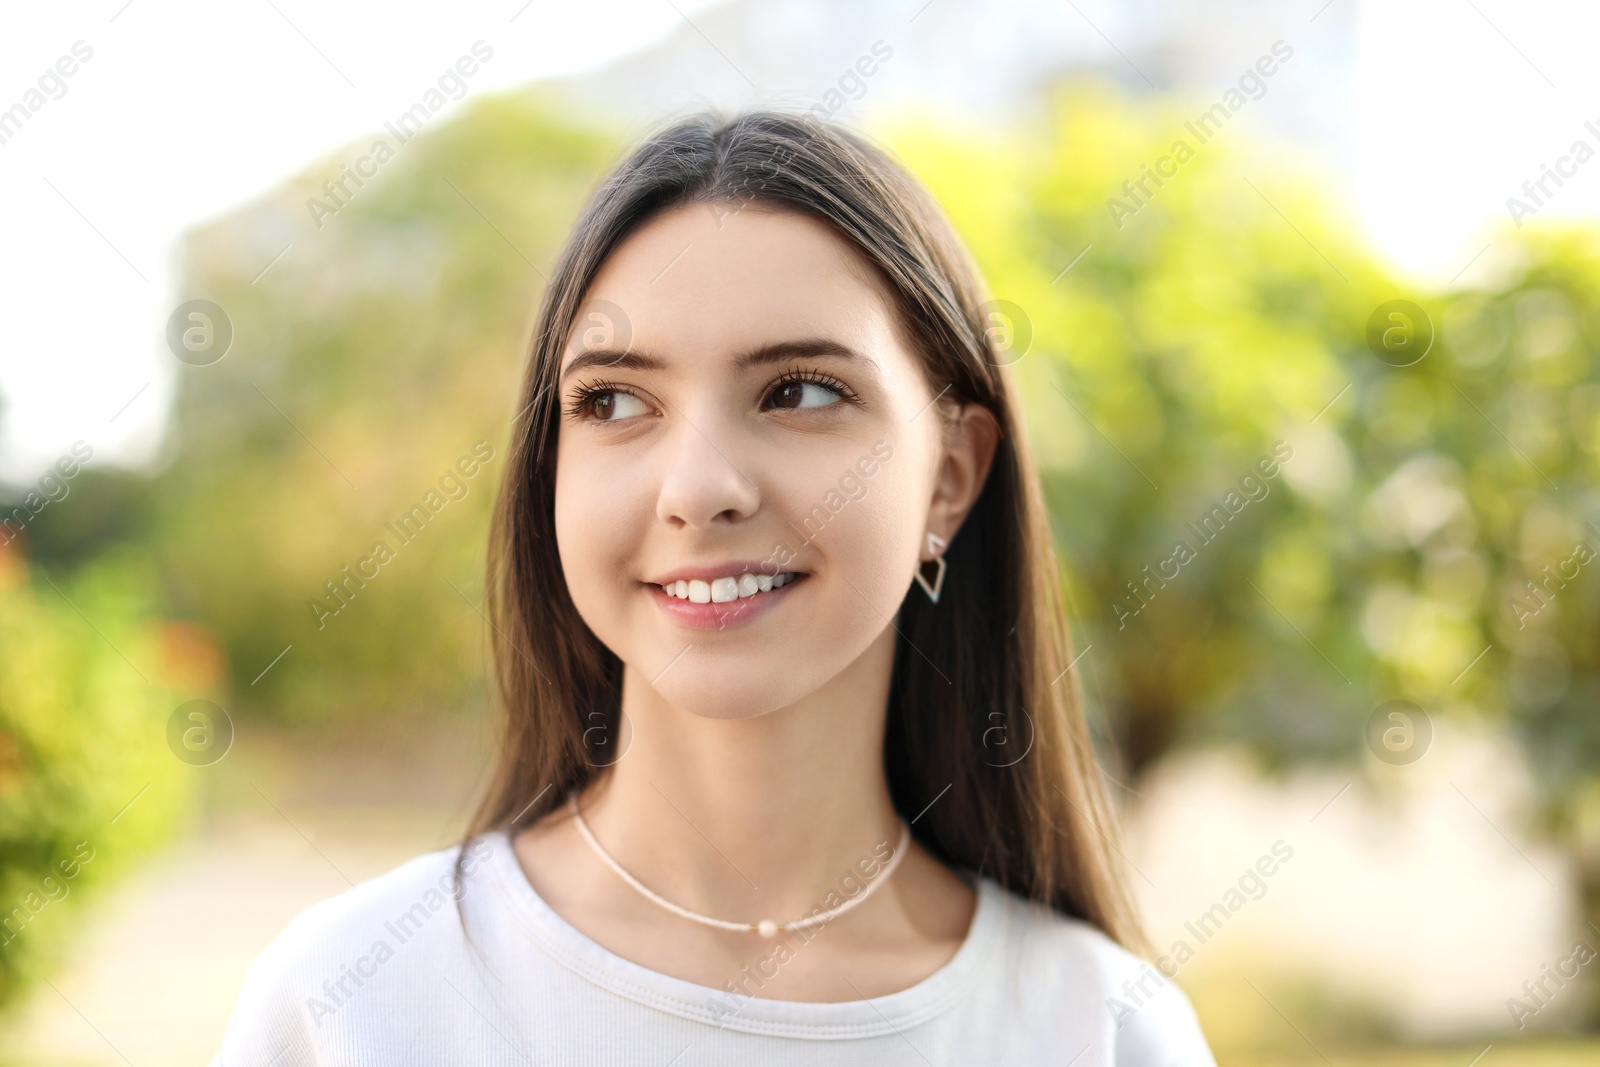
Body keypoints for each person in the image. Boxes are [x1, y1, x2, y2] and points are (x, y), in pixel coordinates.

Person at [211, 108, 1216, 1065]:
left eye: (802, 391)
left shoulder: (1103, 1032)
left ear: (948, 476)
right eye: (612, 400)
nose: (697, 488)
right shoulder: (349, 1000)